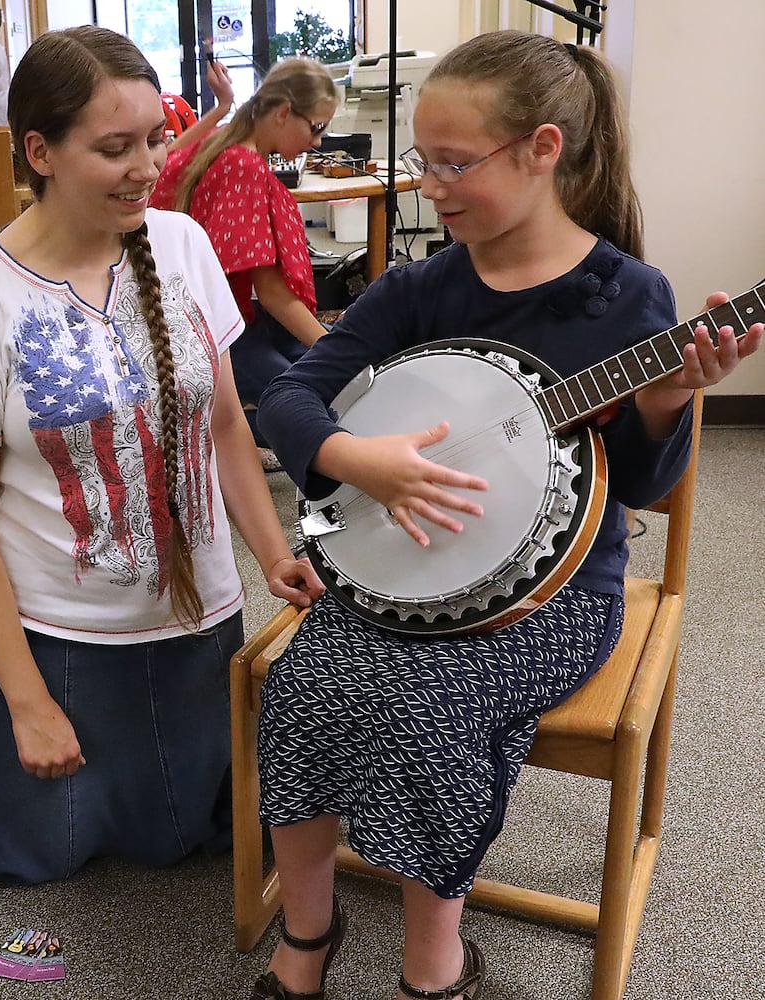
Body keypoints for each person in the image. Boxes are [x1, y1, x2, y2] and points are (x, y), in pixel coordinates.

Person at [251, 30, 762, 1000]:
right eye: (422, 160)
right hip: (403, 556)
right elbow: (288, 395)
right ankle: (306, 937)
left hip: (559, 596)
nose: (430, 186)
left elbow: (646, 483)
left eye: (454, 162)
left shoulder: (625, 298)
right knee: (304, 685)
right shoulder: (424, 285)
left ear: (542, 150)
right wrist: (357, 459)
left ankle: (433, 961)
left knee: (423, 709)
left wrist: (666, 400)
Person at [0, 25, 323, 884]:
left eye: (156, 139)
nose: (148, 166)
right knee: (51, 844)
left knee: (201, 826)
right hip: (61, 638)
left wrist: (273, 554)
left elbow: (226, 424)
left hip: (199, 616)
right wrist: (26, 702)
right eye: (114, 147)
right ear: (39, 151)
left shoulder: (182, 245)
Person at [151, 56, 337, 448]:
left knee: (309, 366)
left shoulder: (227, 141)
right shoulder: (243, 164)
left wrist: (220, 107)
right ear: (284, 113)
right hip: (218, 328)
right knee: (319, 401)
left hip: (209, 317)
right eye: (316, 128)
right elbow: (270, 290)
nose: (317, 141)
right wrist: (337, 352)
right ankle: (216, 431)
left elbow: (165, 164)